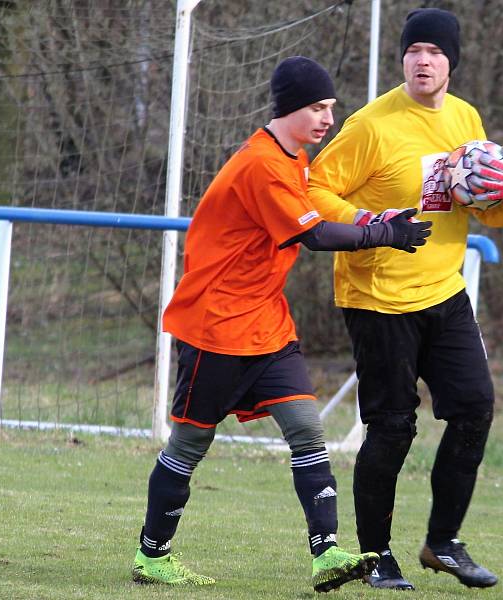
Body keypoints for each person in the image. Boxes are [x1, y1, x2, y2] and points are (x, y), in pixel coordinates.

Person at [130, 56, 432, 592]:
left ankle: (327, 555)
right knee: (189, 445)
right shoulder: (262, 166)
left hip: (267, 322)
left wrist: (375, 220)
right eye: (317, 108)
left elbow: (320, 214)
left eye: (331, 108)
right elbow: (313, 237)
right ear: (290, 107)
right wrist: (383, 236)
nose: (327, 119)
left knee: (306, 430)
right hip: (217, 323)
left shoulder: (291, 159)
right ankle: (152, 554)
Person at [307, 8, 503, 591]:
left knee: (474, 409)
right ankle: (375, 556)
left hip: (444, 290)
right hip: (377, 296)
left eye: (435, 52)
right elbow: (312, 189)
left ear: (451, 62)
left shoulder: (465, 119)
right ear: (403, 59)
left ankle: (443, 543)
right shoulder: (372, 125)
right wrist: (367, 220)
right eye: (414, 51)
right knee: (391, 428)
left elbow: (487, 207)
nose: (423, 60)